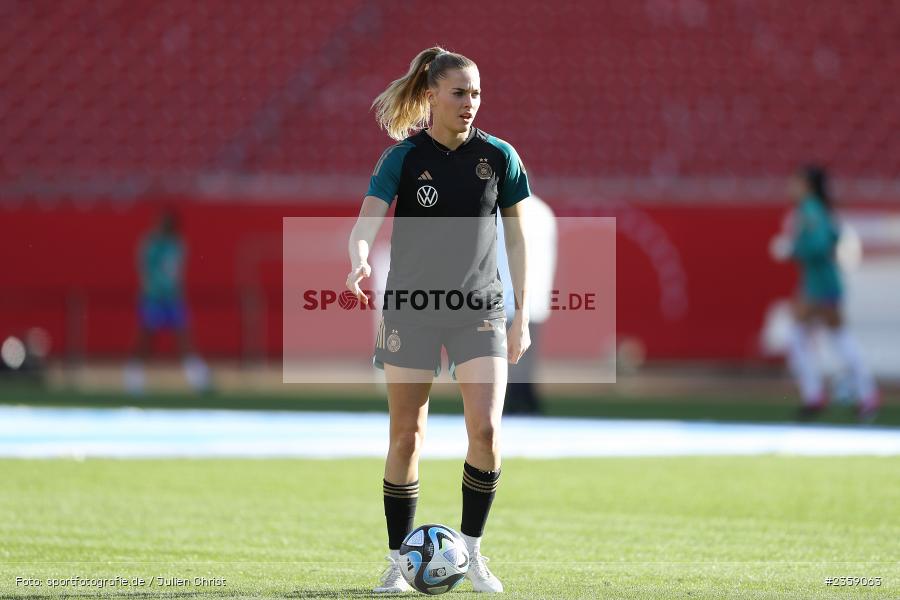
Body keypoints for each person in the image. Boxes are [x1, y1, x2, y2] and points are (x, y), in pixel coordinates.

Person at [345, 46, 532, 593]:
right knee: (406, 435)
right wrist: (359, 260)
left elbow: (518, 237)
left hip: (480, 309)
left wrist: (519, 315)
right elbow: (366, 221)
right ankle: (398, 562)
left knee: (488, 429)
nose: (470, 103)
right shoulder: (402, 158)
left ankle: (472, 553)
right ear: (431, 94)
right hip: (412, 309)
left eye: (476, 93)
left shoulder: (499, 156)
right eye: (459, 92)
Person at [770, 165, 880, 421]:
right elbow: (835, 235)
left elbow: (818, 244)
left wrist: (792, 249)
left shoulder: (808, 209)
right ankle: (862, 394)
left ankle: (821, 394)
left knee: (805, 335)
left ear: (806, 185)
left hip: (819, 285)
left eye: (795, 183)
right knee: (832, 336)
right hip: (823, 283)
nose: (790, 188)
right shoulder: (820, 209)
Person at [124, 209, 210, 393]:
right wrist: (151, 291)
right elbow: (146, 270)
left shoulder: (177, 244)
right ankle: (133, 379)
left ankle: (199, 380)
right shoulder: (152, 244)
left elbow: (176, 273)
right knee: (145, 341)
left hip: (173, 299)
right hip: (154, 298)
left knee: (184, 339)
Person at [497, 194, 557, 414]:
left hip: (503, 294)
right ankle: (525, 400)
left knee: (500, 355)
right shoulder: (543, 211)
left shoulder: (499, 210)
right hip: (535, 295)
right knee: (525, 354)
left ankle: (509, 402)